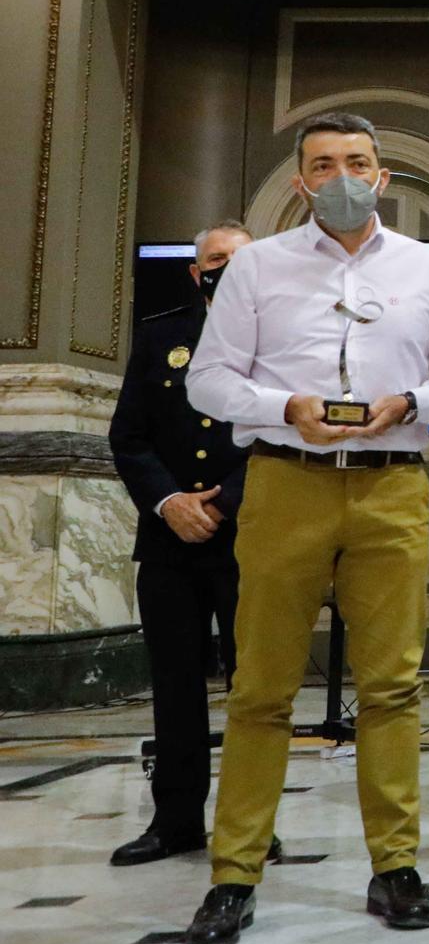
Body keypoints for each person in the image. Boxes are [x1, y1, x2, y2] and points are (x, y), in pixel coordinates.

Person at [178, 111, 429, 944]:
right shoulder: (256, 269)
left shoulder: (426, 267)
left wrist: (411, 403)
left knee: (391, 686)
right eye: (324, 164)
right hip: (285, 485)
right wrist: (285, 408)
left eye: (358, 162)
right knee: (261, 689)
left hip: (391, 487)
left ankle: (395, 866)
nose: (343, 176)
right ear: (301, 182)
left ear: (382, 176)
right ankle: (233, 874)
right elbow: (207, 381)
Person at [106, 221, 281, 867]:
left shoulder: (280, 338)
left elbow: (280, 434)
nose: (225, 267)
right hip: (168, 542)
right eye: (214, 259)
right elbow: (129, 437)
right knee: (174, 685)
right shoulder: (159, 336)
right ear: (195, 270)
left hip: (251, 538)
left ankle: (252, 819)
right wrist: (170, 502)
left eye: (238, 258)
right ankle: (175, 819)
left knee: (253, 687)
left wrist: (224, 499)